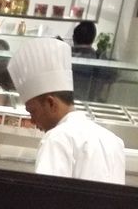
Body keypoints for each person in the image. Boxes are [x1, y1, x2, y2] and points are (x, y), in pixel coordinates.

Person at [7, 37, 125, 183]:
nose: (32, 121)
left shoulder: (56, 139)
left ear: (51, 103)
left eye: (32, 111)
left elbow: (46, 193)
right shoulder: (114, 141)